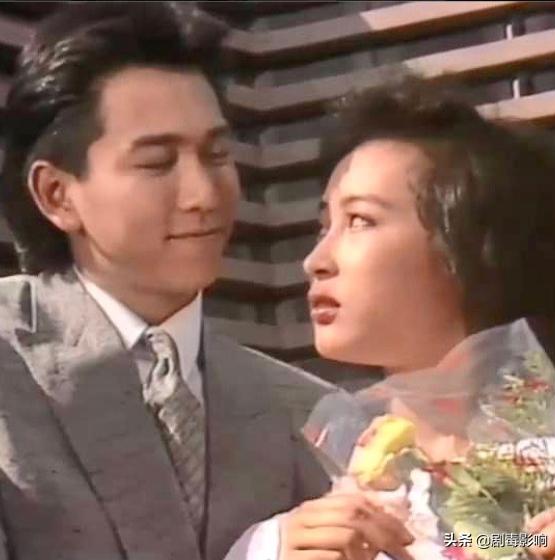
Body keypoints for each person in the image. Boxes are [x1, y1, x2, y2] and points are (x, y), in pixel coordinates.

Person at [0, 3, 336, 559]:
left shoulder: (305, 410)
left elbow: (452, 542)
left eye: (217, 154)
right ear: (57, 194)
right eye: (157, 162)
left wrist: (494, 535)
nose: (203, 194)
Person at [226, 70, 555, 559]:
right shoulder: (294, 510)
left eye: (360, 220)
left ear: (470, 247)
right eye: (324, 225)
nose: (316, 260)